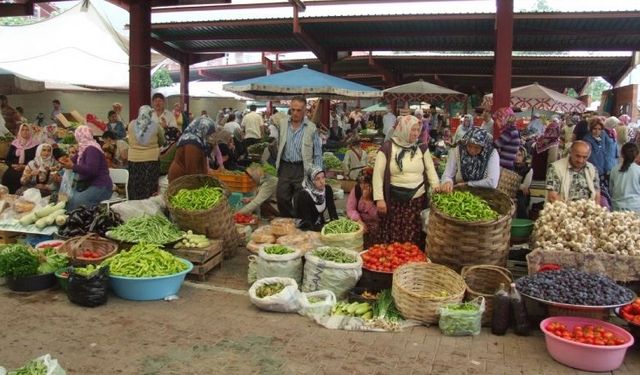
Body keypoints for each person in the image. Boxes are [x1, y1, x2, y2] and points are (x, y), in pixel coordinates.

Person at [373, 115, 439, 248]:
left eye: (417, 130)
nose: (415, 133)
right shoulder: (387, 148)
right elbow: (378, 175)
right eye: (412, 130)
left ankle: (411, 261)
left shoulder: (421, 147)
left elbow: (430, 169)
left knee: (413, 233)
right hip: (394, 199)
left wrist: (436, 186)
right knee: (394, 232)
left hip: (416, 199)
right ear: (403, 129)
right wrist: (379, 199)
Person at [275, 96, 323, 217]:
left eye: (299, 110)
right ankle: (288, 221)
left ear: (305, 111)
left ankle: (298, 223)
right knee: (281, 197)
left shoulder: (311, 128)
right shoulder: (283, 124)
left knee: (300, 199)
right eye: (293, 109)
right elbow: (280, 143)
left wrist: (318, 175)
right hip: (285, 167)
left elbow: (317, 153)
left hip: (302, 167)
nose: (295, 113)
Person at [57, 126, 112, 211]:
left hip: (100, 186)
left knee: (77, 202)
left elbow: (91, 171)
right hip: (87, 184)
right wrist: (63, 163)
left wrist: (72, 167)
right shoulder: (83, 149)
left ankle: (81, 222)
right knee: (66, 199)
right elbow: (73, 160)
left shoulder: (92, 149)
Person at [440, 127, 500, 192]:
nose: (472, 150)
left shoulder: (491, 153)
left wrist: (468, 184)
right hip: (460, 191)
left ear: (483, 146)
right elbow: (447, 174)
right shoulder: (458, 150)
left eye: (477, 147)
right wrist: (448, 182)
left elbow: (492, 182)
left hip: (484, 193)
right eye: (469, 146)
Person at [127, 105, 165, 200]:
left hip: (134, 159)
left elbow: (129, 140)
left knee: (135, 184)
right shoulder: (156, 126)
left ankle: (134, 206)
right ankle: (149, 207)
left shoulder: (131, 124)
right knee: (149, 185)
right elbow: (162, 141)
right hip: (151, 159)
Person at [167, 117, 217, 182]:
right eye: (209, 133)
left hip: (185, 177)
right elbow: (191, 170)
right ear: (204, 129)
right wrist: (199, 183)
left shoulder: (197, 139)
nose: (209, 136)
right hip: (180, 178)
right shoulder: (191, 142)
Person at [583, 116, 617, 209]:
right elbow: (589, 158)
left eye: (599, 129)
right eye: (595, 129)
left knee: (601, 195)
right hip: (592, 171)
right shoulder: (587, 140)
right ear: (591, 129)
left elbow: (605, 154)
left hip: (602, 171)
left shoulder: (601, 139)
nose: (597, 131)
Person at [293, 166, 338, 231]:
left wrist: (336, 226)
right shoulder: (303, 195)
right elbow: (306, 222)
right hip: (305, 229)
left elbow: (332, 211)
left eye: (323, 177)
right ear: (311, 181)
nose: (322, 181)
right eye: (317, 179)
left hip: (320, 225)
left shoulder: (327, 189)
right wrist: (323, 230)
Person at [346, 167, 380, 248]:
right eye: (361, 183)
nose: (363, 186)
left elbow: (377, 216)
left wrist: (367, 200)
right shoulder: (356, 189)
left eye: (367, 184)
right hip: (359, 222)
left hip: (374, 225)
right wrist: (359, 221)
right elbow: (350, 209)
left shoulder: (378, 192)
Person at [1, 124, 39, 193]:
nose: (25, 132)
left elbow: (37, 161)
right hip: (14, 168)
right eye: (23, 130)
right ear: (20, 131)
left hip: (28, 169)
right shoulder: (15, 143)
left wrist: (24, 166)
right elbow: (8, 159)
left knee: (21, 179)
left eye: (27, 130)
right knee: (7, 177)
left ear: (30, 131)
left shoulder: (36, 144)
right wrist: (13, 165)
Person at [609, 143, 640, 212]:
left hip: (617, 208)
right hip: (636, 208)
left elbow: (611, 190)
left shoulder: (614, 169)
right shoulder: (638, 170)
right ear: (637, 155)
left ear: (621, 154)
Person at [514, 147, 533, 219]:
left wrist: (517, 186)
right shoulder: (510, 167)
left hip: (521, 194)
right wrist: (519, 186)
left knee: (520, 201)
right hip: (510, 191)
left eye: (519, 155)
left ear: (523, 156)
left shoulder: (528, 169)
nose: (516, 157)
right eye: (515, 155)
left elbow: (525, 186)